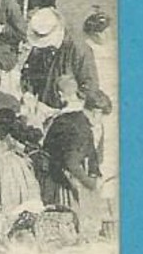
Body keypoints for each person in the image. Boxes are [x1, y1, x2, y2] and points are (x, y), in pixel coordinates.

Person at [40, 81, 112, 237]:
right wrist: (90, 183)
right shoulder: (81, 130)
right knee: (66, 222)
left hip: (50, 171)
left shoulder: (72, 117)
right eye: (102, 117)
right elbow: (71, 163)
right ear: (96, 112)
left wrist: (95, 171)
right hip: (58, 179)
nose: (101, 122)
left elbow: (90, 150)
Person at [18, 8, 99, 110]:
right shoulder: (39, 48)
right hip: (42, 108)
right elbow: (28, 73)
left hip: (66, 112)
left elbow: (90, 87)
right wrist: (28, 93)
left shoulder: (79, 49)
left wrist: (72, 103)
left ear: (58, 30)